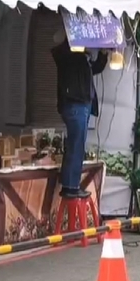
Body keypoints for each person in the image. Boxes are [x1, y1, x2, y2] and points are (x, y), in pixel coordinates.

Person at [51, 33, 107, 198]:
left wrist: (103, 55)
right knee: (76, 145)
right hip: (75, 104)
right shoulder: (68, 56)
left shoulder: (81, 59)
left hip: (80, 105)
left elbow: (94, 68)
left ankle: (70, 184)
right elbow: (63, 52)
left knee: (76, 145)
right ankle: (71, 186)